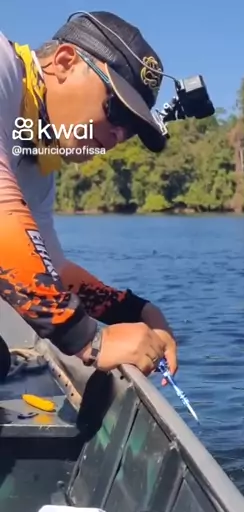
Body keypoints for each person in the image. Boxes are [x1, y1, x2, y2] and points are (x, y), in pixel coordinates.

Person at [0, 11, 178, 378]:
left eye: (131, 130)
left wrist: (133, 310)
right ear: (65, 62)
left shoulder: (35, 162)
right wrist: (88, 339)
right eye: (116, 111)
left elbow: (50, 267)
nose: (118, 137)